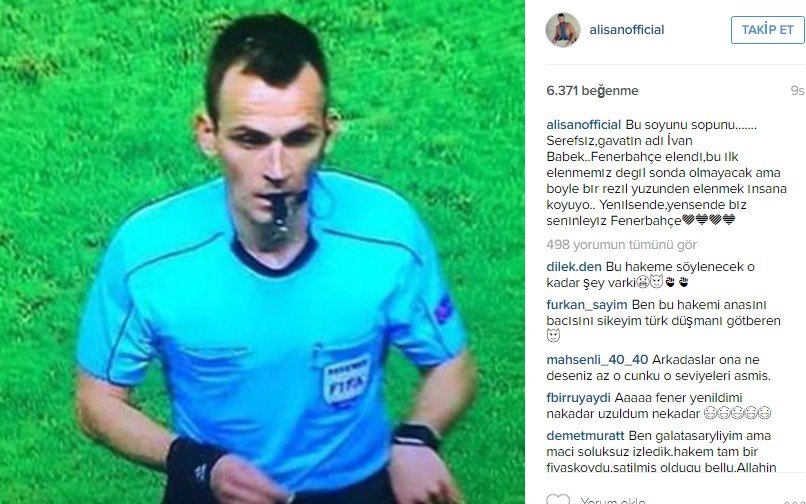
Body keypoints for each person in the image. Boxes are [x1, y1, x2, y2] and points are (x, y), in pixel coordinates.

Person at [74, 13, 477, 504]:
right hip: (210, 486)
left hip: (359, 489)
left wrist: (417, 439)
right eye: (251, 140)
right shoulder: (149, 252)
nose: (277, 169)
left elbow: (452, 365)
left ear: (328, 133)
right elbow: (97, 401)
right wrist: (199, 464)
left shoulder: (386, 231)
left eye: (299, 138)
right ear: (207, 133)